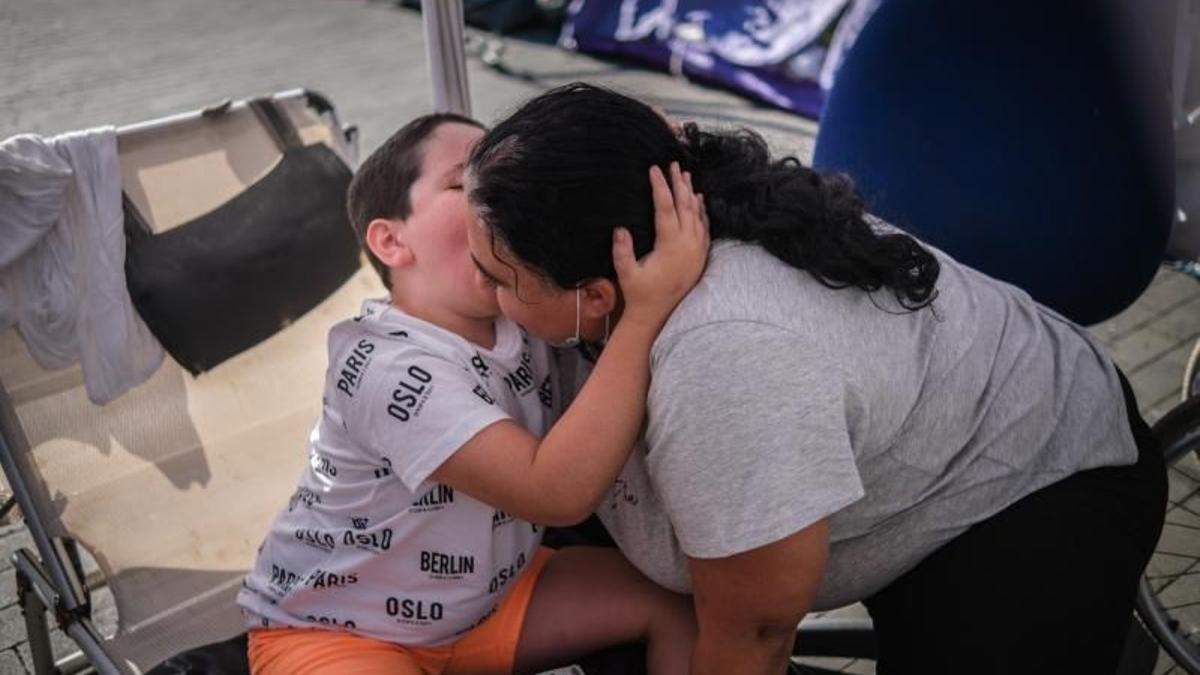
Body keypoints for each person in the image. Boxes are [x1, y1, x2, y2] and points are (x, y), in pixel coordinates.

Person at [463, 83, 1169, 675]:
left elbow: (755, 638)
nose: (477, 286)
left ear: (596, 294)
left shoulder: (727, 359)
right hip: (918, 429)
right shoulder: (649, 193)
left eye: (498, 278)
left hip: (1034, 485)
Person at [236, 112, 707, 675]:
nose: (501, 198)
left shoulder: (526, 315)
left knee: (686, 604)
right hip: (337, 631)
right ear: (391, 240)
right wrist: (648, 312)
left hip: (489, 603)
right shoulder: (385, 365)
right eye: (466, 183)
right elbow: (553, 492)